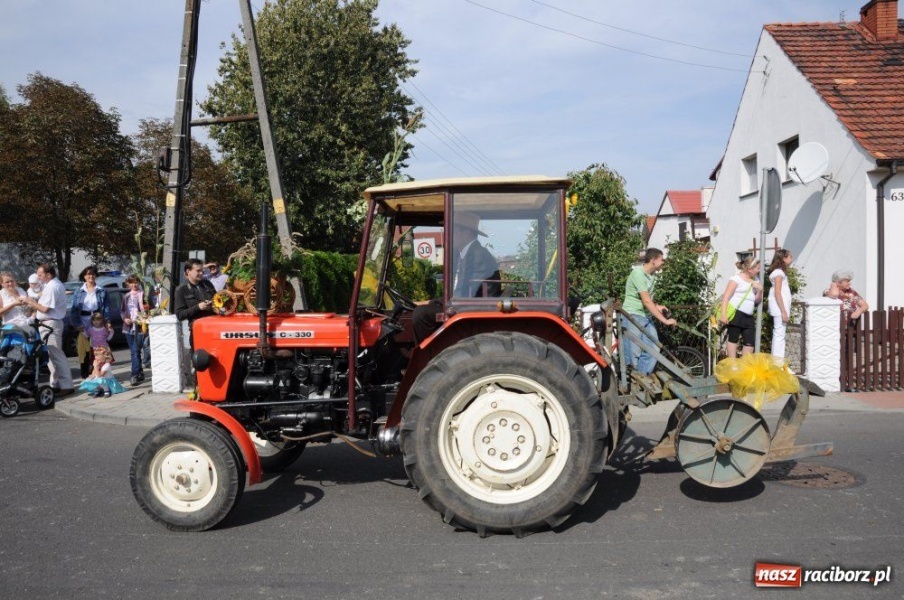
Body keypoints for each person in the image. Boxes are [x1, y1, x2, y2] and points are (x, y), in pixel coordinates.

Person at [412, 212, 501, 343]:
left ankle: (431, 358)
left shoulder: (478, 257)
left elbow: (464, 295)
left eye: (452, 229)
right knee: (421, 310)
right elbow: (456, 291)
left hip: (475, 312)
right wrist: (431, 302)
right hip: (467, 306)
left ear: (466, 233)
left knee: (421, 316)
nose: (448, 234)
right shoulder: (463, 255)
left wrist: (433, 304)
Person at [620, 247, 677, 376]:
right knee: (632, 354)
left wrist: (657, 306)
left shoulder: (651, 277)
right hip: (632, 316)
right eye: (662, 260)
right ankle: (631, 383)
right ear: (653, 260)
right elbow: (646, 301)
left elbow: (648, 300)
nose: (663, 262)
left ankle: (641, 378)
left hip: (645, 316)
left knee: (653, 348)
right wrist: (665, 321)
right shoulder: (638, 273)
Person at [23, 263, 74, 395]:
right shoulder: (50, 286)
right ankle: (57, 383)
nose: (38, 278)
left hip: (51, 323)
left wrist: (30, 302)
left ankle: (66, 385)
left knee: (57, 354)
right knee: (51, 356)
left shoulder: (53, 287)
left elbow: (45, 308)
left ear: (48, 275)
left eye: (40, 275)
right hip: (48, 323)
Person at [68, 265, 110, 378]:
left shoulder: (101, 291)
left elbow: (106, 308)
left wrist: (107, 322)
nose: (90, 276)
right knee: (84, 349)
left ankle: (98, 372)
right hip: (84, 321)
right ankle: (85, 374)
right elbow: (74, 309)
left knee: (97, 347)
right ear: (84, 277)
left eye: (92, 274)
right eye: (88, 274)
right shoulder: (79, 291)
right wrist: (77, 325)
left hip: (97, 322)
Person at [719, 256, 764, 358]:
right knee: (733, 338)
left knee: (750, 342)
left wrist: (760, 290)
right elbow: (726, 296)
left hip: (749, 315)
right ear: (750, 269)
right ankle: (732, 363)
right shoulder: (736, 279)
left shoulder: (756, 280)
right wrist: (723, 314)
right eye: (757, 268)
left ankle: (745, 365)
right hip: (737, 312)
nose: (759, 271)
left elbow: (756, 300)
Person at [174, 259, 216, 346]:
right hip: (197, 332)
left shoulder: (207, 284)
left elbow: (217, 300)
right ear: (188, 271)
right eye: (198, 271)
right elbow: (180, 315)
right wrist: (198, 307)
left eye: (202, 271)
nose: (201, 273)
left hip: (214, 329)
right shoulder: (181, 290)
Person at [767, 249, 793, 367]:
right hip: (779, 307)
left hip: (778, 307)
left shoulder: (778, 272)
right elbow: (778, 292)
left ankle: (777, 361)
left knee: (779, 332)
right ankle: (778, 363)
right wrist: (783, 311)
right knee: (779, 333)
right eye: (789, 257)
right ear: (783, 258)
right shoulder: (779, 273)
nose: (791, 259)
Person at [122, 275, 147, 386]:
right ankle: (140, 372)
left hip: (140, 326)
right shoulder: (126, 296)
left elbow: (147, 308)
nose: (134, 285)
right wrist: (125, 318)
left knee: (135, 351)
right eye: (132, 283)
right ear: (128, 284)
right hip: (128, 327)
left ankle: (134, 375)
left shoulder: (143, 294)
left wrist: (143, 317)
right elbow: (122, 311)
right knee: (135, 352)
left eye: (136, 282)